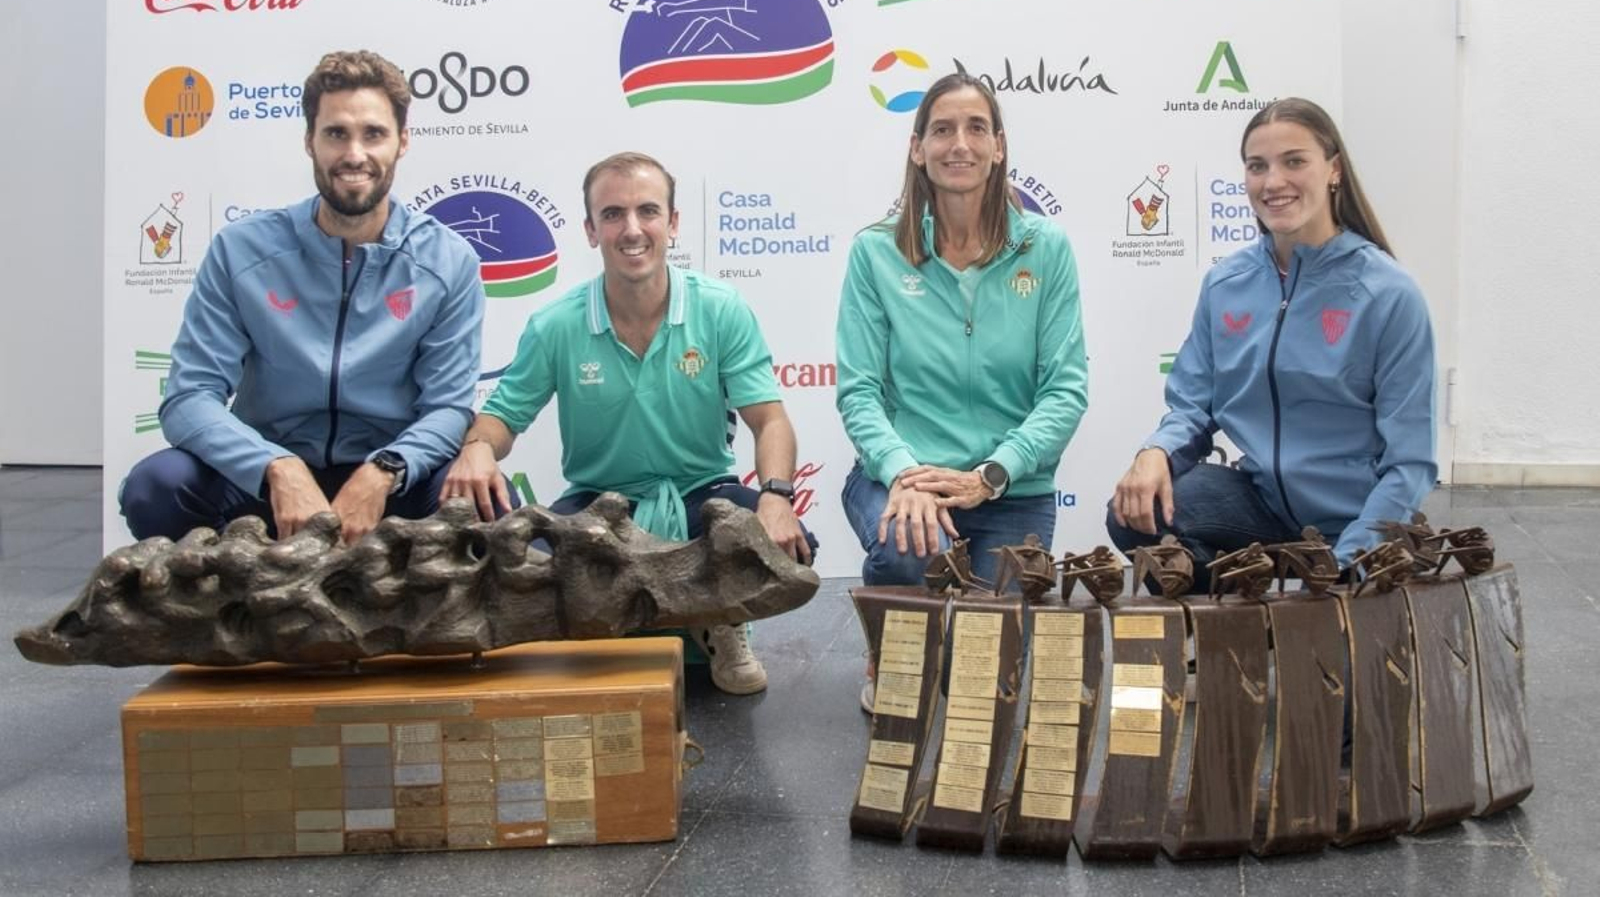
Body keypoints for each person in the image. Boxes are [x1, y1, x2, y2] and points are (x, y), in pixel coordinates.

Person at [441, 152, 816, 695]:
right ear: (591, 230)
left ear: (673, 223)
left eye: (648, 211)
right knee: (528, 566)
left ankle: (722, 623)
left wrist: (778, 495)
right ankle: (641, 626)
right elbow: (501, 417)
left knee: (789, 542)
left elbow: (770, 419)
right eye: (613, 214)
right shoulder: (557, 324)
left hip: (701, 497)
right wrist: (477, 446)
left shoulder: (720, 308)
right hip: (601, 507)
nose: (632, 229)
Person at [118, 50, 485, 545]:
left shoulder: (447, 260)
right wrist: (276, 466)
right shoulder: (242, 250)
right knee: (155, 487)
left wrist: (385, 469)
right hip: (264, 479)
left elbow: (448, 408)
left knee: (484, 504)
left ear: (402, 142)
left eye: (373, 134)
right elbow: (188, 399)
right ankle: (228, 616)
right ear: (309, 141)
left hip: (388, 481)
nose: (354, 154)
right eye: (336, 133)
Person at [1107, 97, 1436, 592]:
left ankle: (1297, 622)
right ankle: (1240, 637)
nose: (1273, 182)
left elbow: (1410, 462)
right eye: (1257, 166)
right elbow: (1192, 405)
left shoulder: (1388, 294)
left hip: (1357, 515)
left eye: (1294, 161)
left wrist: (1348, 562)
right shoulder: (1227, 283)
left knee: (1330, 629)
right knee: (1134, 513)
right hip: (1262, 503)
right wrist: (1156, 452)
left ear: (1333, 170)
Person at [835, 72, 1089, 705]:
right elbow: (859, 392)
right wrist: (904, 475)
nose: (960, 144)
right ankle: (889, 657)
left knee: (990, 677)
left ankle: (946, 643)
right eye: (942, 129)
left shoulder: (1046, 248)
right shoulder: (876, 252)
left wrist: (993, 474)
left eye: (977, 128)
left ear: (999, 147)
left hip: (1010, 487)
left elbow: (1065, 390)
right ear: (918, 148)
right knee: (907, 550)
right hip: (904, 476)